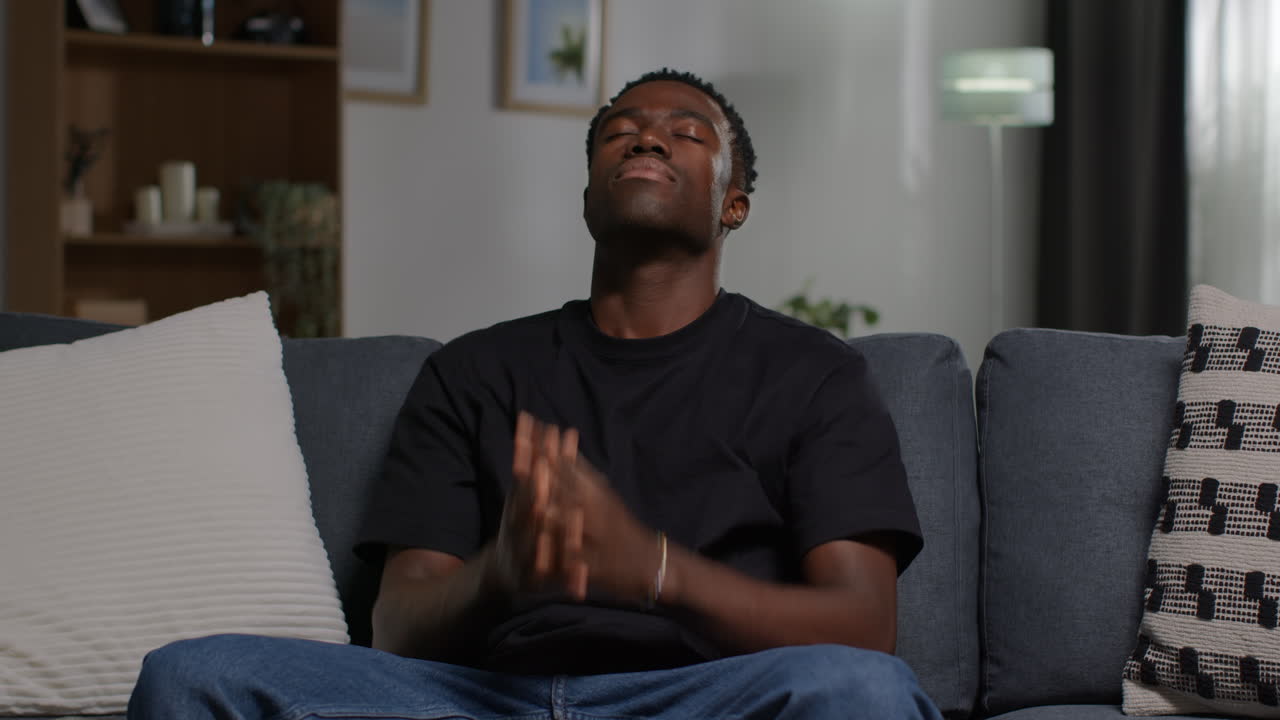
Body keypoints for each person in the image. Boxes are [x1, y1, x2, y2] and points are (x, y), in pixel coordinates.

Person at [128, 68, 942, 720]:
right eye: (619, 134)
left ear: (734, 204)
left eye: (685, 133)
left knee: (863, 695)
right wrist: (501, 573)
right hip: (485, 699)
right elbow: (395, 627)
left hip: (701, 697)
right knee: (193, 676)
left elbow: (864, 632)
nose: (647, 135)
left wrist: (652, 570)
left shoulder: (814, 374)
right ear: (589, 196)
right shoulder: (474, 371)